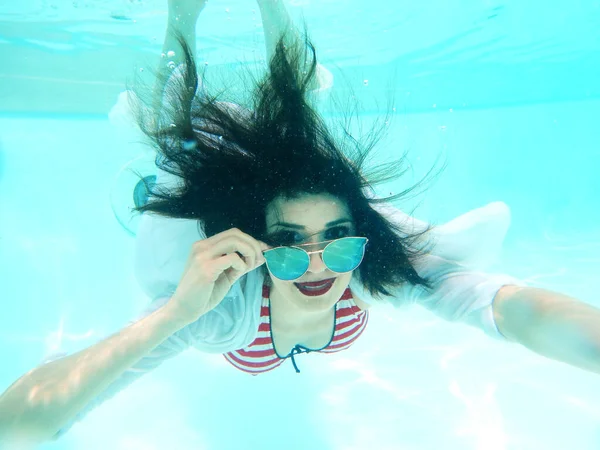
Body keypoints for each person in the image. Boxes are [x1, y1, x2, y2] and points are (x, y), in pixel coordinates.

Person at [1, 0, 600, 446]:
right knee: (176, 149)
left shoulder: (373, 269)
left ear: (361, 243)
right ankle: (180, 19)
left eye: (339, 244)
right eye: (288, 245)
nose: (318, 264)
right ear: (260, 248)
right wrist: (175, 313)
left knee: (294, 126)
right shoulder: (221, 310)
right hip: (209, 215)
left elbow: (510, 308)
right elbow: (20, 423)